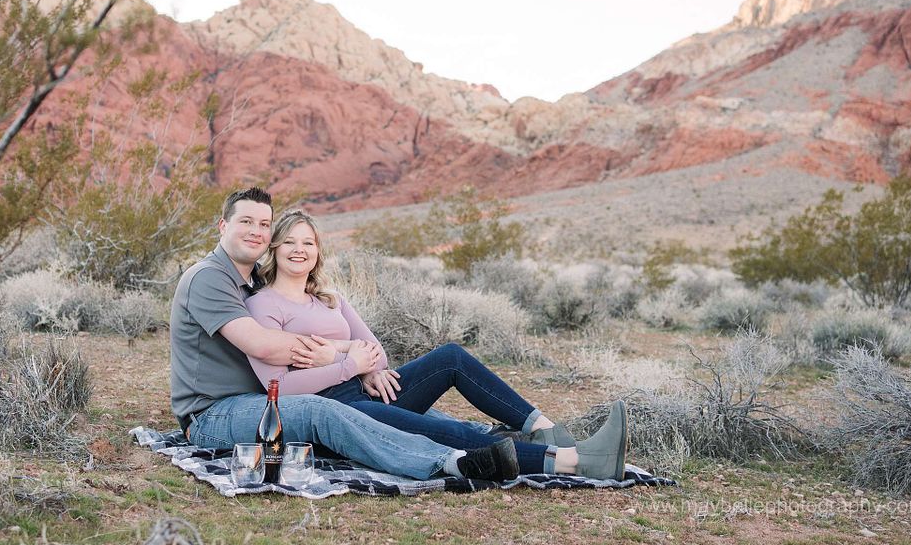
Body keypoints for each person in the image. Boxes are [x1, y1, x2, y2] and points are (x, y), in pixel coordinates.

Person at [243, 208, 629, 480]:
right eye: (290, 242)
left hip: (364, 392)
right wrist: (347, 363)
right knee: (437, 433)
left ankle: (546, 430)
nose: (299, 250)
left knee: (450, 358)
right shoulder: (263, 306)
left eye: (308, 242)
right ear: (274, 249)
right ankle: (576, 461)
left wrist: (369, 369)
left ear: (317, 251)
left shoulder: (330, 300)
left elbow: (375, 351)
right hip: (334, 415)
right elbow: (280, 389)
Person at [170, 187, 519, 482]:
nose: (255, 231)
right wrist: (347, 355)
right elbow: (262, 345)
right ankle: (448, 462)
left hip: (264, 400)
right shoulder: (210, 277)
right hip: (213, 412)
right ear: (223, 226)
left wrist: (364, 364)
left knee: (395, 406)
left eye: (263, 224)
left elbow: (354, 349)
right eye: (245, 221)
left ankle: (498, 439)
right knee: (318, 410)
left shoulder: (254, 280)